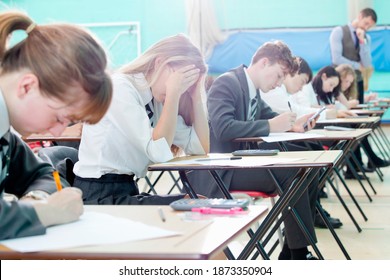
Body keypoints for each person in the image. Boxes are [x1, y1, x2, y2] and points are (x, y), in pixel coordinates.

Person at [189, 41, 321, 260]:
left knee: (309, 169)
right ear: (264, 63)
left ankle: (291, 250)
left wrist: (295, 124)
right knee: (293, 173)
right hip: (220, 169)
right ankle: (297, 254)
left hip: (241, 162)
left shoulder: (252, 90)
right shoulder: (227, 83)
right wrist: (271, 126)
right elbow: (223, 128)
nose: (279, 84)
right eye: (278, 76)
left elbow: (269, 117)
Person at [0, 11, 113, 240]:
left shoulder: (7, 135)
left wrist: (37, 199)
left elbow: (44, 174)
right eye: (60, 118)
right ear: (27, 86)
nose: (59, 132)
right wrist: (48, 212)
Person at [73, 34, 209, 205]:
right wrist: (173, 93)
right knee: (191, 205)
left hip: (126, 188)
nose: (180, 87)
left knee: (197, 201)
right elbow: (158, 152)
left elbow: (200, 148)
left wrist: (196, 96)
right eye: (179, 79)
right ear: (159, 63)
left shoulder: (156, 99)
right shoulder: (120, 88)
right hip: (99, 194)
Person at [261, 58, 343, 229]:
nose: (302, 86)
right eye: (302, 81)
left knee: (312, 153)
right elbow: (292, 114)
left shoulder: (281, 90)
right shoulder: (275, 91)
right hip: (264, 146)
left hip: (274, 140)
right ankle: (311, 216)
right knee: (307, 161)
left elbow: (293, 115)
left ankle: (312, 213)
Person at [335, 64, 390, 172]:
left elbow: (346, 104)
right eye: (346, 81)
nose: (347, 85)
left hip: (342, 120)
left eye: (350, 83)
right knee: (358, 129)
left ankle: (361, 164)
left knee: (360, 128)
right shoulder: (334, 90)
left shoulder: (340, 91)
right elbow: (343, 105)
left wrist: (364, 99)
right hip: (335, 124)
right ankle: (368, 161)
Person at [330, 7, 377, 104]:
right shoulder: (339, 31)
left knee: (359, 108)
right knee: (342, 109)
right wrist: (357, 66)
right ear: (359, 16)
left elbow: (367, 63)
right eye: (366, 23)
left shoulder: (366, 38)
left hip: (357, 80)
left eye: (370, 26)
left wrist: (361, 42)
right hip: (341, 80)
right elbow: (336, 59)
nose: (366, 28)